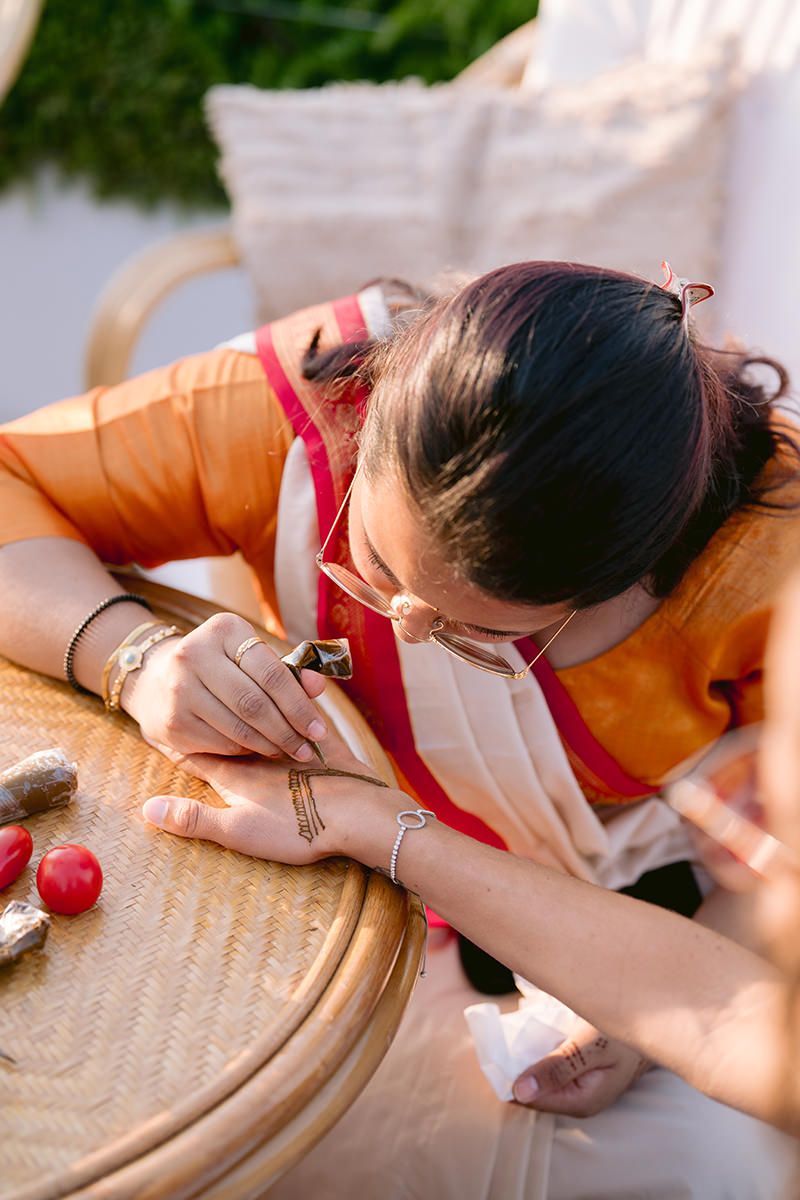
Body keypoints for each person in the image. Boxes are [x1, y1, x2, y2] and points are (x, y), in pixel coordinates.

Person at [1, 261, 798, 1198]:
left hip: (649, 934)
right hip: (306, 890)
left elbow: (770, 905)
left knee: (710, 1169)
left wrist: (639, 1014)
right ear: (369, 416)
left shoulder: (767, 570)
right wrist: (130, 655)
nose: (407, 626)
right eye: (374, 562)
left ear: (628, 576)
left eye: (480, 634)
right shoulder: (299, 407)